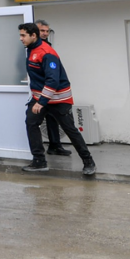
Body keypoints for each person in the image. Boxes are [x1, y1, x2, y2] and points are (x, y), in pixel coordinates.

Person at [18, 22, 96, 175]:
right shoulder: (31, 50)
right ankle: (39, 161)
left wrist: (41, 102)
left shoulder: (47, 53)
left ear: (33, 35)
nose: (20, 38)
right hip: (40, 97)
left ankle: (88, 162)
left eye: (23, 35)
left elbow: (52, 80)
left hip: (59, 99)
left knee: (70, 130)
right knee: (31, 122)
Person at [35, 19, 71, 157]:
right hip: (38, 90)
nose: (45, 33)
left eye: (47, 31)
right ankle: (37, 154)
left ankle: (55, 145)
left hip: (49, 89)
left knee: (52, 118)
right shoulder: (32, 48)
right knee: (33, 121)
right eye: (42, 31)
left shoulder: (47, 46)